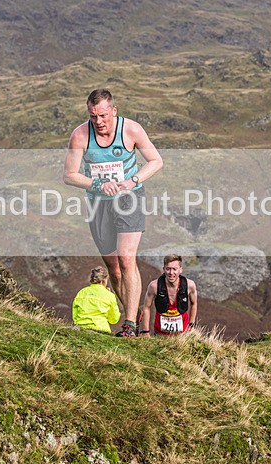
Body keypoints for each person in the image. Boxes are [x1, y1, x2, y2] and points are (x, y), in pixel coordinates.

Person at [63, 89, 163, 337]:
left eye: (103, 115)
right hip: (99, 204)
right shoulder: (80, 135)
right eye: (93, 116)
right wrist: (98, 184)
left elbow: (156, 161)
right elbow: (69, 175)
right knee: (113, 267)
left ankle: (129, 325)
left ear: (114, 111)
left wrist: (132, 181)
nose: (98, 121)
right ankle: (133, 312)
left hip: (129, 198)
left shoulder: (131, 130)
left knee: (127, 257)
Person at [139, 254, 198, 336]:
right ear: (164, 269)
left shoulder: (189, 285)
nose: (171, 273)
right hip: (160, 334)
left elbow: (194, 303)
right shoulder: (154, 286)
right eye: (168, 269)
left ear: (180, 270)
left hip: (183, 334)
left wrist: (191, 325)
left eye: (174, 269)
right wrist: (145, 332)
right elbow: (146, 307)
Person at [72, 267, 121, 334]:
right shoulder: (109, 295)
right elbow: (114, 319)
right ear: (104, 280)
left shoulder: (82, 292)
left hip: (81, 327)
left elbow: (75, 314)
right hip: (101, 329)